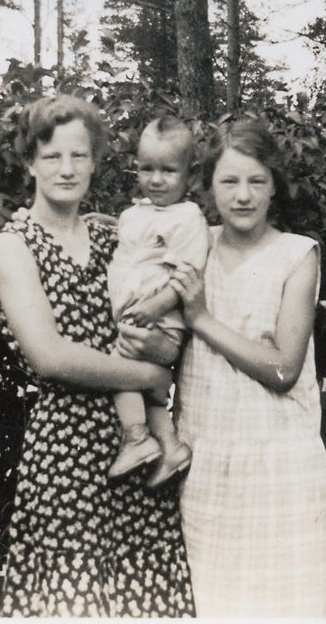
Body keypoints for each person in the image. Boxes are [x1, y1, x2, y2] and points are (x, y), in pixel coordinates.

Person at [0, 95, 194, 617]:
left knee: (144, 603)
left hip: (139, 458)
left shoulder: (111, 236)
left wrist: (163, 356)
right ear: (30, 162)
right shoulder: (13, 247)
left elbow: (169, 308)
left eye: (79, 155)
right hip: (66, 455)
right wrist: (151, 376)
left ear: (96, 161)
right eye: (52, 156)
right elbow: (50, 357)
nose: (67, 168)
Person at [168, 118, 326, 618]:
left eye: (256, 181)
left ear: (274, 186)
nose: (242, 195)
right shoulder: (191, 247)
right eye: (229, 181)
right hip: (205, 473)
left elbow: (285, 369)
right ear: (207, 187)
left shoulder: (297, 255)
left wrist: (200, 318)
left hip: (283, 475)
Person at [107, 116, 207, 487]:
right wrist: (106, 222)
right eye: (147, 168)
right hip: (138, 318)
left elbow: (188, 274)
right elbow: (135, 241)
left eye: (168, 170)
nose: (156, 179)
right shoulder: (136, 213)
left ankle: (136, 440)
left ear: (190, 176)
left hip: (159, 321)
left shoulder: (187, 218)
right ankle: (171, 446)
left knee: (119, 371)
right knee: (149, 394)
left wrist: (156, 306)